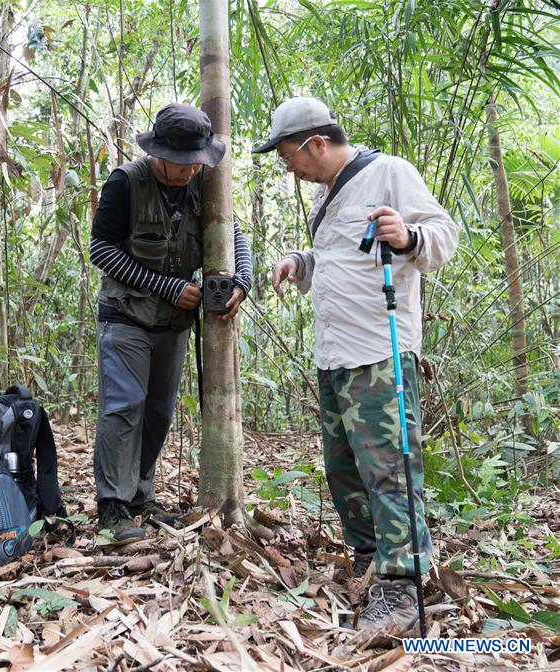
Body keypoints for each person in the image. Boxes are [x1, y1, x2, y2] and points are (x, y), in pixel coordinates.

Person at [260, 97, 458, 634]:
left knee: (390, 470)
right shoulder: (328, 194)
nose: (288, 168)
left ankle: (401, 587)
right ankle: (372, 564)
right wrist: (301, 263)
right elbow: (343, 260)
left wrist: (410, 235)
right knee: (344, 471)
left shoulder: (389, 172)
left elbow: (443, 236)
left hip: (379, 352)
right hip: (334, 355)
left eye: (288, 157)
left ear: (316, 144)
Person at [90, 103, 253, 541]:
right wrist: (165, 286)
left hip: (175, 323)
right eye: (180, 164)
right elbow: (101, 251)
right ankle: (113, 507)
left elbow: (234, 235)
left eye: (196, 163)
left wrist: (242, 280)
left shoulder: (205, 183)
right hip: (126, 317)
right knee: (124, 406)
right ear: (157, 152)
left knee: (159, 411)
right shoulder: (126, 183)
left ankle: (143, 496)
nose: (188, 172)